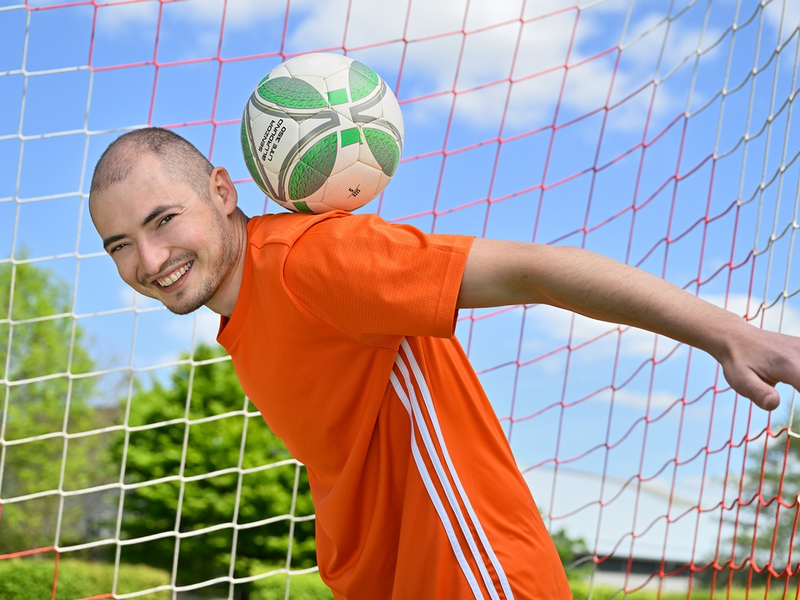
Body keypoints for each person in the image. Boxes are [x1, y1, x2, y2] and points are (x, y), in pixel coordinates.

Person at [89, 127, 800, 600]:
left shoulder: (318, 261)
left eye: (162, 220)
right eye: (119, 244)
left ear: (220, 190)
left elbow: (532, 272)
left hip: (475, 575)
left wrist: (729, 334)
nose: (148, 262)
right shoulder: (243, 315)